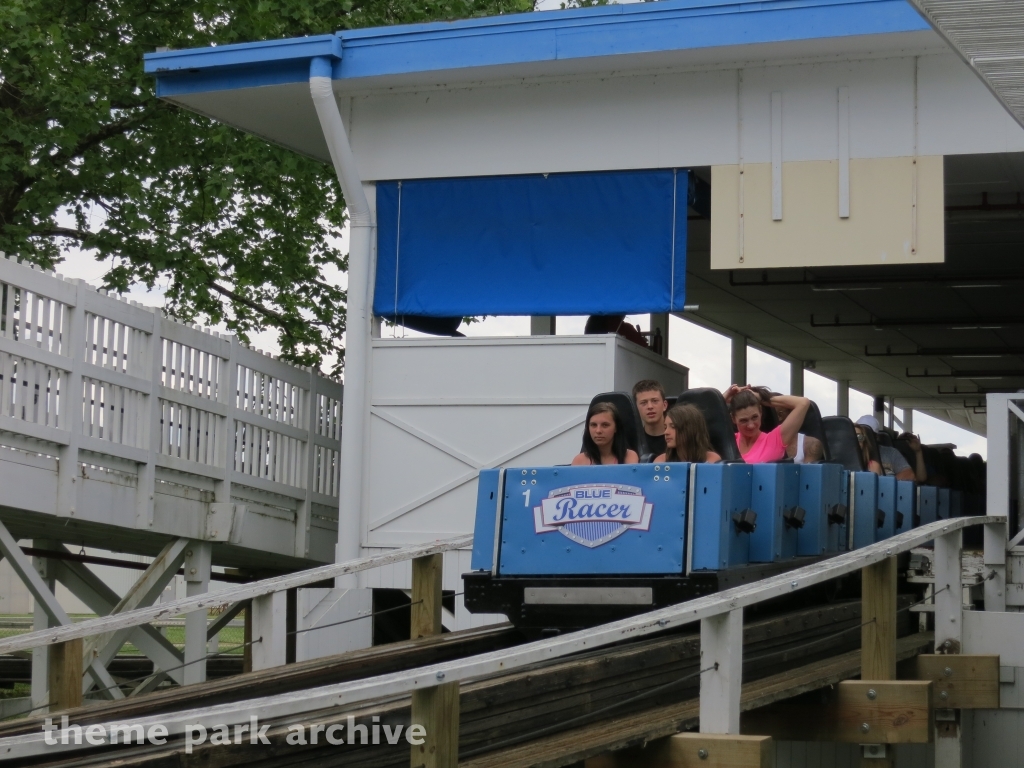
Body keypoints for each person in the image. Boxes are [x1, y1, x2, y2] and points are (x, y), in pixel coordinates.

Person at [723, 385, 810, 463]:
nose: (751, 425)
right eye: (743, 420)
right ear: (733, 419)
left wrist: (762, 399)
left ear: (760, 412)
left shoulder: (775, 440)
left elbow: (803, 403)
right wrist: (723, 398)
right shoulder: (728, 442)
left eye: (754, 417)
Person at [571, 401, 640, 466]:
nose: (598, 431)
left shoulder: (629, 457)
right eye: (593, 425)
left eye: (605, 425)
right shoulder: (579, 461)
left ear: (616, 427)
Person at [654, 405, 722, 464]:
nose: (666, 432)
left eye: (673, 427)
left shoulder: (712, 459)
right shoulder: (661, 462)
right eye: (665, 427)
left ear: (690, 429)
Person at [855, 416, 916, 481]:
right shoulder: (850, 455)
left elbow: (910, 474)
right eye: (858, 436)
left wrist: (883, 481)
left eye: (868, 435)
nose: (865, 439)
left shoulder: (891, 453)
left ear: (876, 437)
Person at [633, 379, 669, 459]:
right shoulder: (633, 443)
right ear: (636, 409)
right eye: (643, 403)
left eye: (655, 401)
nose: (650, 406)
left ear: (664, 405)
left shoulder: (678, 439)